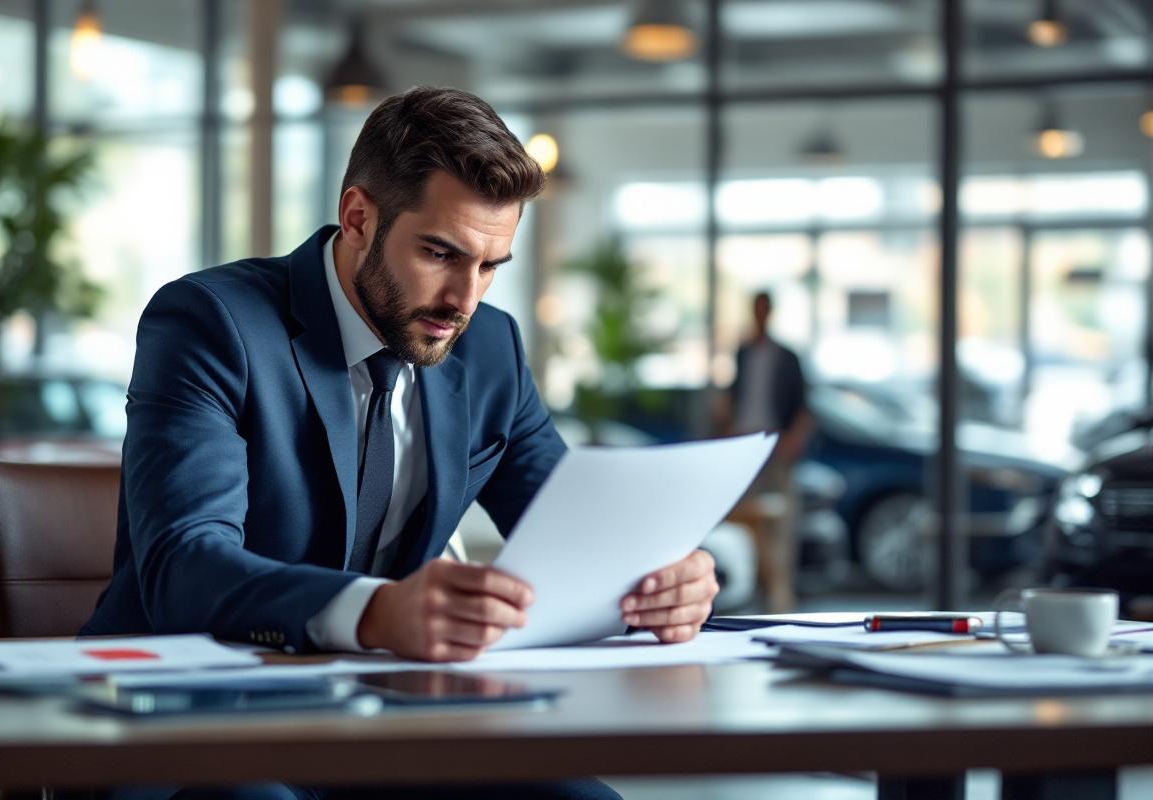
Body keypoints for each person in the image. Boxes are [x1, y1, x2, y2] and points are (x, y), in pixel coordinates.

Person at [79, 87, 718, 800]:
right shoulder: (212, 324)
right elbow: (184, 566)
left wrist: (662, 581)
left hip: (387, 725)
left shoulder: (491, 351)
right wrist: (379, 612)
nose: (464, 300)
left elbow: (579, 537)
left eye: (490, 265)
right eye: (441, 254)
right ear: (358, 217)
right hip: (192, 724)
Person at [719, 291, 811, 613]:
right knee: (747, 521)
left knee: (780, 523)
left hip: (776, 445)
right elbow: (732, 396)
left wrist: (792, 441)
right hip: (745, 444)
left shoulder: (787, 356)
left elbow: (803, 405)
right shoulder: (743, 353)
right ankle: (755, 587)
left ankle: (780, 596)